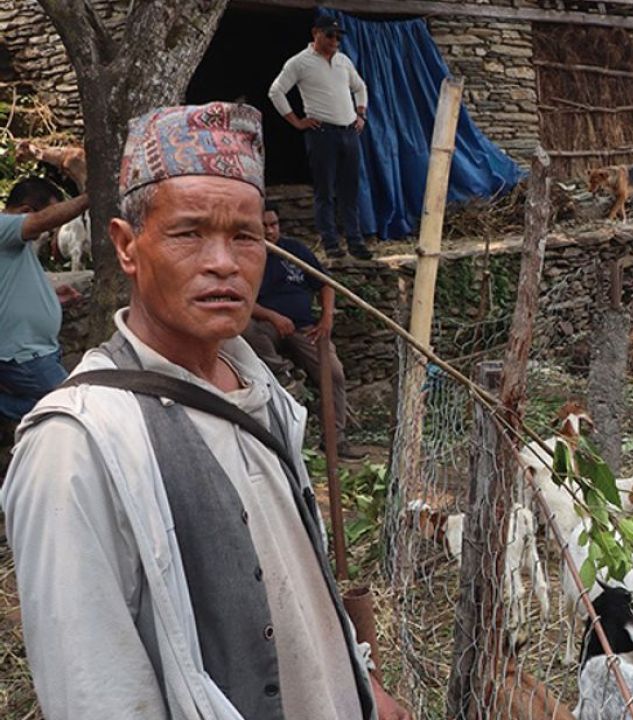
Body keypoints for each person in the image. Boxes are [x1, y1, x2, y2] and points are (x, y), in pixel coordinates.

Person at [1, 102, 409, 720]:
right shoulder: (79, 445)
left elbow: (296, 583)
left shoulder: (262, 390)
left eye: (244, 236)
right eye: (189, 232)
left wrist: (356, 683)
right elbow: (96, 694)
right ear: (126, 246)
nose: (224, 262)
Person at [244, 203, 365, 459]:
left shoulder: (295, 250)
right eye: (264, 226)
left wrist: (327, 318)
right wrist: (272, 316)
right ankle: (282, 375)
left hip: (304, 327)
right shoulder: (244, 254)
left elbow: (325, 284)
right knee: (246, 330)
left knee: (333, 373)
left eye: (274, 224)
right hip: (265, 325)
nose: (270, 231)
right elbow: (240, 299)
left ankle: (335, 440)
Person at [269, 15, 372, 260]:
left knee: (350, 190)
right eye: (329, 35)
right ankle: (331, 242)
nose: (334, 41)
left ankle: (355, 241)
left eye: (338, 37)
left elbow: (360, 87)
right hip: (322, 132)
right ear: (316, 33)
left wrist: (361, 114)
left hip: (348, 130)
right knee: (325, 190)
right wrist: (297, 121)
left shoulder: (343, 61)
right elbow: (276, 91)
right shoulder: (300, 62)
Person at [1, 177, 88, 430]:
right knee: (72, 406)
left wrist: (52, 298)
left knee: (58, 406)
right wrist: (89, 197)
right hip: (25, 356)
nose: (48, 232)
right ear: (26, 211)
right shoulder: (3, 226)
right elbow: (41, 221)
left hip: (36, 352)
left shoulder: (13, 242)